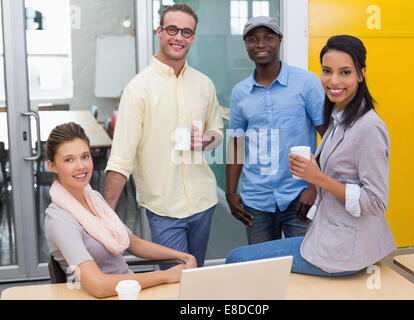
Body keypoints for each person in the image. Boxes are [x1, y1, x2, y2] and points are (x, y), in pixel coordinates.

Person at [226, 35, 396, 276]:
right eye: (327, 71)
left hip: (346, 248)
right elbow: (236, 141)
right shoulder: (339, 119)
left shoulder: (368, 127)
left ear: (361, 74)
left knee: (237, 259)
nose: (333, 80)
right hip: (324, 234)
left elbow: (377, 203)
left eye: (345, 72)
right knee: (257, 266)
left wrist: (316, 180)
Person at [103, 3, 223, 269]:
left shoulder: (204, 84)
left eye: (187, 32)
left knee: (196, 276)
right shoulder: (138, 89)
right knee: (176, 280)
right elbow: (121, 158)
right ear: (160, 32)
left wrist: (207, 140)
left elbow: (217, 132)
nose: (179, 37)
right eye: (172, 29)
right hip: (164, 208)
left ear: (193, 37)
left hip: (204, 201)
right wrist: (106, 214)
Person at [44, 122, 197, 299]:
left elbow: (134, 243)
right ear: (52, 166)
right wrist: (166, 276)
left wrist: (184, 257)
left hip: (128, 290)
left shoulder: (93, 199)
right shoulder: (60, 220)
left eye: (85, 156)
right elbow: (99, 286)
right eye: (69, 159)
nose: (81, 166)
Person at [226, 16, 325, 245]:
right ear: (246, 45)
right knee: (263, 271)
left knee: (303, 265)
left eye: (268, 38)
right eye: (253, 39)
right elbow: (236, 144)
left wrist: (314, 186)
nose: (260, 45)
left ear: (279, 41)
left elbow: (328, 136)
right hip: (256, 201)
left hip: (299, 196)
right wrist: (230, 193)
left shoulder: (306, 82)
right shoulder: (240, 93)